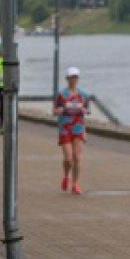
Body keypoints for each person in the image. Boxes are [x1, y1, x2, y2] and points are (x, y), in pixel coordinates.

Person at [54, 66, 91, 195]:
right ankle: (66, 176)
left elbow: (88, 110)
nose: (73, 79)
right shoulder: (61, 95)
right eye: (71, 77)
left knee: (77, 158)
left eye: (76, 77)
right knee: (68, 158)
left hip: (79, 129)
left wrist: (82, 109)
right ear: (67, 78)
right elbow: (55, 111)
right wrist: (64, 108)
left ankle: (75, 184)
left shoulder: (84, 95)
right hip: (65, 129)